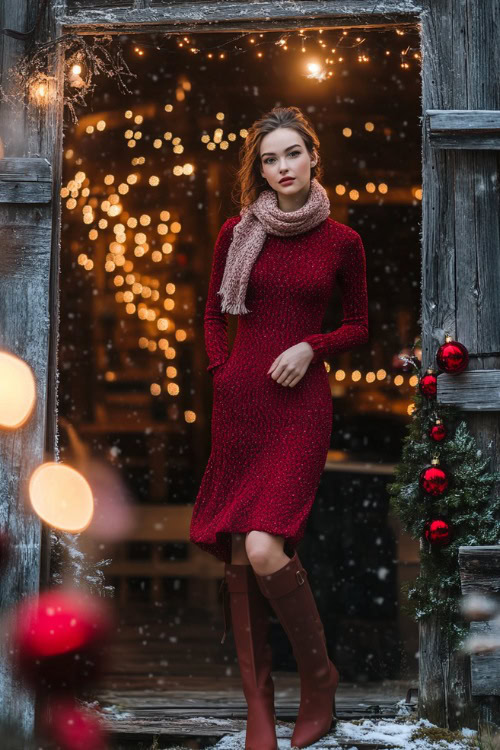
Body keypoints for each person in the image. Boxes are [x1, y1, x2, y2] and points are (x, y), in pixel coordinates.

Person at [189, 105, 369, 749]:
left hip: (299, 408)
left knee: (266, 548)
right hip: (241, 407)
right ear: (259, 169)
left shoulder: (342, 241)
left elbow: (359, 326)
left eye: (291, 153)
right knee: (239, 552)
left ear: (312, 156)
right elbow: (213, 312)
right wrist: (222, 368)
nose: (282, 167)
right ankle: (258, 707)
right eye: (269, 159)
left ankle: (319, 681)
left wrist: (310, 346)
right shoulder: (237, 231)